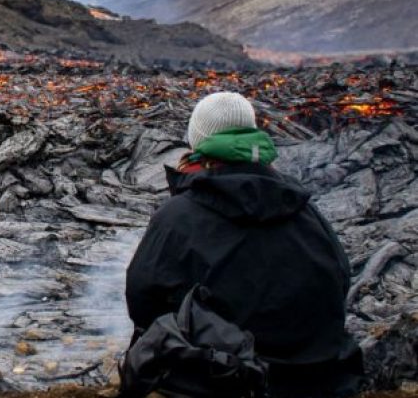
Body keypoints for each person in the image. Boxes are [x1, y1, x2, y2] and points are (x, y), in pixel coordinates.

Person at [125, 92, 364, 397]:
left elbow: (144, 301)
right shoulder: (304, 208)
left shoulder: (178, 217)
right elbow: (339, 280)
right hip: (322, 379)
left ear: (197, 141)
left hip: (229, 380)